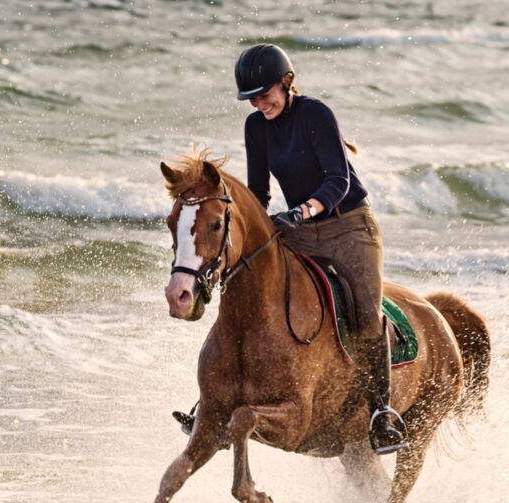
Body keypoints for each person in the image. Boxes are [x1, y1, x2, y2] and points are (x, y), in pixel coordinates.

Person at [174, 43, 407, 455]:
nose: (260, 104)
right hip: (299, 225)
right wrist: (249, 228)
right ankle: (212, 400)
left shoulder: (315, 114)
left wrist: (300, 212)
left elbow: (340, 182)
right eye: (252, 99)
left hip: (349, 226)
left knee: (367, 314)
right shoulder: (256, 126)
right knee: (245, 282)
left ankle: (381, 413)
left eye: (265, 95)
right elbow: (259, 191)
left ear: (287, 82)